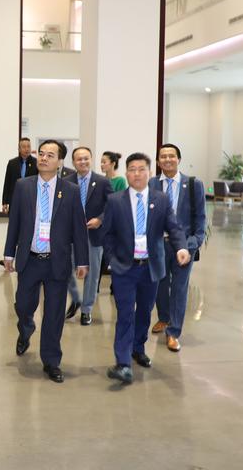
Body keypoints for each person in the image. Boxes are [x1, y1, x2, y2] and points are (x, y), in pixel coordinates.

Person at [3, 140, 89, 384]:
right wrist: (9, 253)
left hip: (56, 261)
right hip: (30, 260)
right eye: (41, 153)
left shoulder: (70, 190)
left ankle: (51, 361)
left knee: (54, 314)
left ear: (60, 161)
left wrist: (82, 260)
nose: (43, 158)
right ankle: (26, 328)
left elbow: (78, 228)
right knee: (23, 305)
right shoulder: (23, 186)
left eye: (50, 155)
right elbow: (15, 222)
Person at [102, 152, 190, 385]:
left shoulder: (161, 199)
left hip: (150, 267)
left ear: (150, 172)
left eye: (141, 169)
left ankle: (138, 349)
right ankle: (123, 363)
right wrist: (112, 259)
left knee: (144, 311)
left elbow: (174, 227)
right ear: (126, 173)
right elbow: (107, 234)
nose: (137, 174)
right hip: (124, 268)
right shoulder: (115, 200)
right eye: (132, 169)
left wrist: (181, 247)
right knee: (125, 314)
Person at [149, 144, 206, 352]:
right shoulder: (152, 183)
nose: (167, 159)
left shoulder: (193, 184)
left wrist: (193, 244)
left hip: (184, 245)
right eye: (163, 156)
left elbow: (200, 217)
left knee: (179, 288)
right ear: (158, 162)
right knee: (160, 284)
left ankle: (173, 332)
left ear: (178, 159)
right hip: (158, 245)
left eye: (171, 156)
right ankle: (164, 318)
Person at [65, 146, 113, 325]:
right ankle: (76, 298)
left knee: (92, 275)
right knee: (64, 269)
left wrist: (100, 220)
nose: (83, 162)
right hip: (71, 235)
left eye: (86, 158)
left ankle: (86, 309)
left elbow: (112, 206)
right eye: (79, 159)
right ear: (73, 162)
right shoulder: (66, 181)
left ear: (91, 160)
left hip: (94, 234)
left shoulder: (102, 182)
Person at [2, 138, 37, 214]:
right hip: (15, 198)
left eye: (28, 146)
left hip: (31, 199)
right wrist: (5, 202)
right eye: (24, 147)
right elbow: (7, 183)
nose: (26, 149)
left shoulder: (36, 163)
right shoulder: (12, 163)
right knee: (14, 219)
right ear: (19, 149)